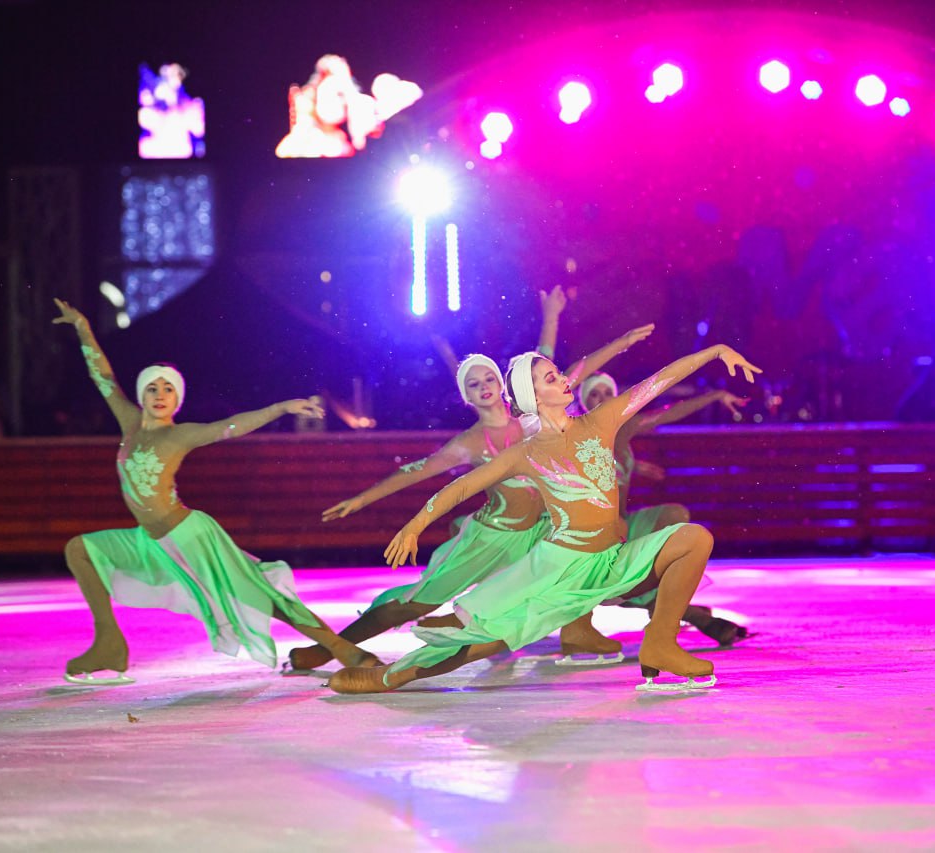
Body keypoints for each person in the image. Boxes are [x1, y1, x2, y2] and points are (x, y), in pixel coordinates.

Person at [328, 342, 762, 695]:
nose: (564, 379)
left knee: (692, 538)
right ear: (533, 397)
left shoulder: (600, 422)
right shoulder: (528, 452)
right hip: (559, 569)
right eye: (551, 377)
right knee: (490, 641)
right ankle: (393, 676)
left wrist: (715, 351)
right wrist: (414, 524)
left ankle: (661, 643)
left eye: (558, 372)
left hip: (609, 558)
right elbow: (461, 487)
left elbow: (656, 383)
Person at [294, 292, 655, 670]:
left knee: (576, 562)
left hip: (538, 534)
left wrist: (617, 341)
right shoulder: (467, 444)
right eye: (473, 384)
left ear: (506, 386)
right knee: (417, 603)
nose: (483, 387)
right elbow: (415, 471)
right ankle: (329, 649)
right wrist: (363, 499)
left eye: (489, 379)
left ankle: (579, 631)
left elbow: (568, 366)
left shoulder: (532, 421)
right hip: (489, 538)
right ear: (465, 397)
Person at [51, 298, 379, 685]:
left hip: (190, 537)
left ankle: (345, 650)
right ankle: (109, 643)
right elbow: (103, 377)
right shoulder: (130, 424)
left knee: (259, 593)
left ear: (177, 398)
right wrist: (83, 327)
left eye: (168, 389)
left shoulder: (181, 433)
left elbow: (232, 425)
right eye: (152, 388)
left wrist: (281, 408)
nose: (159, 395)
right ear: (141, 395)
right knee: (80, 549)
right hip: (149, 542)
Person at [578, 373, 750, 646]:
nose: (601, 400)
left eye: (606, 393)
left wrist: (714, 396)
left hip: (624, 526)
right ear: (583, 402)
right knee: (626, 574)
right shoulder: (575, 437)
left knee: (676, 517)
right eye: (593, 394)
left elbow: (667, 413)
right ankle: (689, 614)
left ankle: (667, 602)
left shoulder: (624, 428)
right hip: (595, 537)